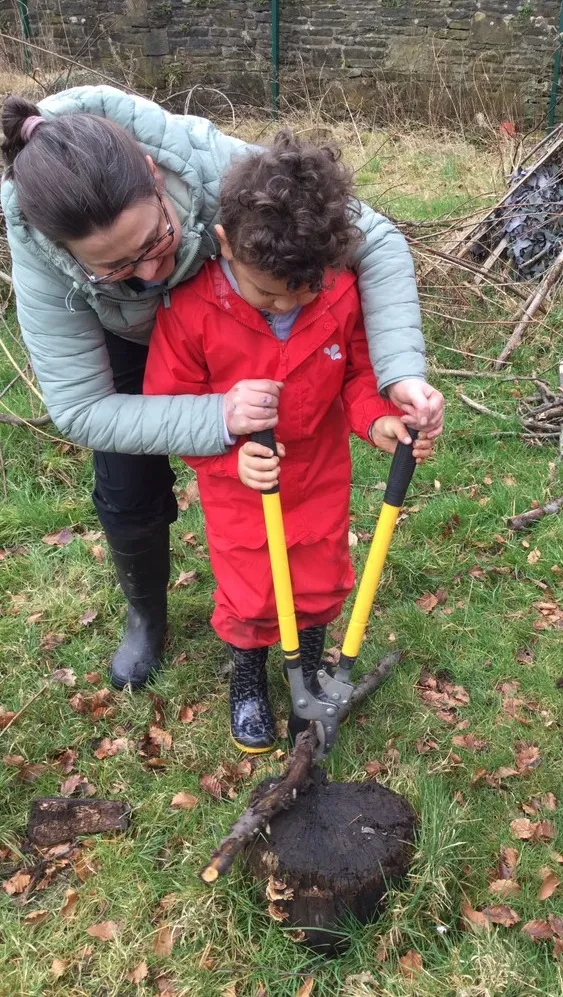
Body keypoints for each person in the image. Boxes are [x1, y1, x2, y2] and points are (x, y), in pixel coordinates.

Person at [1, 86, 443, 693]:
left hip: (240, 328)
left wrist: (399, 375)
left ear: (157, 179)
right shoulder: (37, 242)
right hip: (133, 340)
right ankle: (148, 614)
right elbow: (80, 407)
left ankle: (302, 654)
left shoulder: (220, 168)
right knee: (129, 490)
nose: (152, 273)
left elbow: (377, 241)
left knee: (310, 553)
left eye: (155, 242)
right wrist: (218, 418)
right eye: (116, 266)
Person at [143, 131, 433, 751]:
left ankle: (307, 678)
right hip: (240, 482)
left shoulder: (341, 294)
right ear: (224, 246)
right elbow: (169, 404)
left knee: (318, 579)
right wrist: (225, 451)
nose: (286, 304)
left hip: (320, 470)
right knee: (251, 587)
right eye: (268, 292)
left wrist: (378, 419)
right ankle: (247, 679)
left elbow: (358, 373)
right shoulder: (189, 310)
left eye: (304, 293)